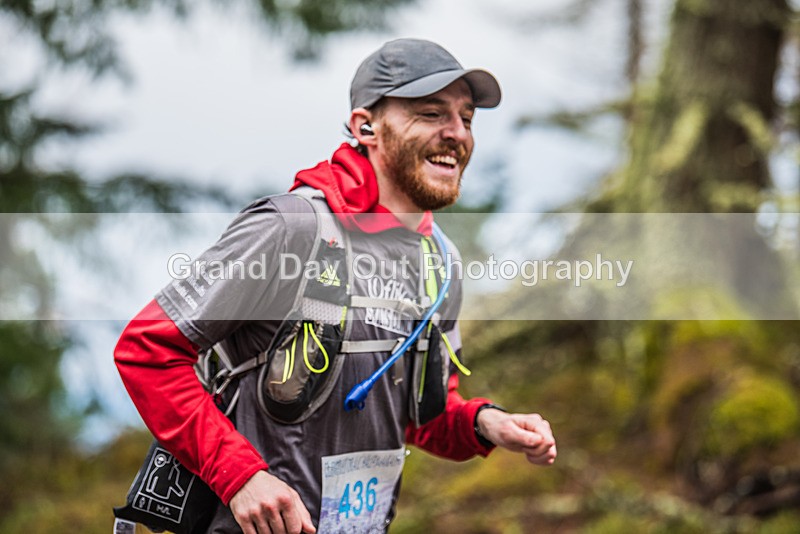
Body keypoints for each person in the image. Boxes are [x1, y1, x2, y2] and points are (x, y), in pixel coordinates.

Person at [115, 38, 557, 534]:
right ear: (365, 126)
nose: (457, 134)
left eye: (467, 119)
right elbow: (146, 350)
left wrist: (482, 424)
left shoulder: (440, 262)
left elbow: (416, 415)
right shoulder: (291, 228)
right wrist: (240, 477)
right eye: (432, 113)